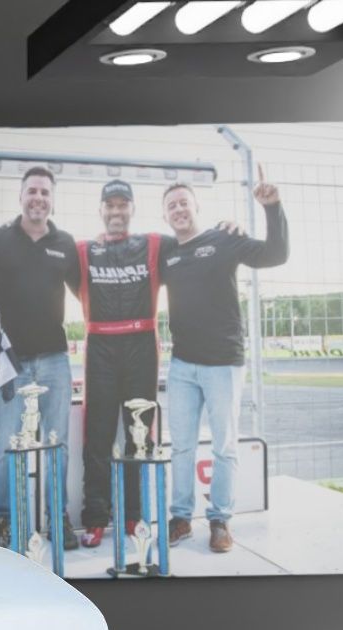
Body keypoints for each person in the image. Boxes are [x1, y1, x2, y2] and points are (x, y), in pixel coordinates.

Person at [159, 169, 288, 552]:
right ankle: (180, 519)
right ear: (165, 216)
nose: (179, 209)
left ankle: (220, 521)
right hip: (182, 366)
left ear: (196, 206)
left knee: (224, 447)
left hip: (223, 363)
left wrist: (272, 208)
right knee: (181, 446)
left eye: (184, 202)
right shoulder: (167, 253)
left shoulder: (224, 238)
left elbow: (275, 255)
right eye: (171, 206)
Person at [0, 166, 79, 550]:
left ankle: (58, 519)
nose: (38, 198)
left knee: (57, 443)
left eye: (45, 193)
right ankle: (2, 520)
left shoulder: (66, 243)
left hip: (55, 358)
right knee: (6, 442)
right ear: (21, 196)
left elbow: (89, 293)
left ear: (52, 200)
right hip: (10, 359)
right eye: (32, 191)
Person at [72, 179, 166, 549]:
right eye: (109, 205)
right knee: (97, 436)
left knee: (138, 436)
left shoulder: (153, 244)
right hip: (100, 347)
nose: (116, 211)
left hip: (142, 345)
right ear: (101, 210)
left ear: (131, 209)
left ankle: (134, 515)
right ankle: (95, 518)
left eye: (122, 205)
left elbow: (192, 249)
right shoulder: (83, 250)